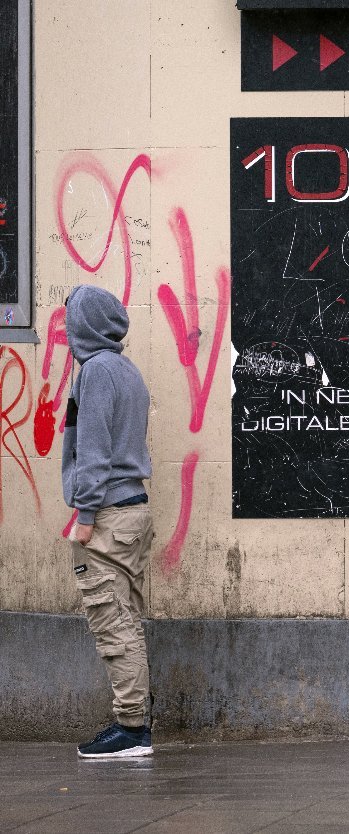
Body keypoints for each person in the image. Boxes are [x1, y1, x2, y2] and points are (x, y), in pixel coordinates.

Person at [63, 285, 155, 759]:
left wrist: (84, 515)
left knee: (112, 622)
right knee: (126, 620)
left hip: (109, 515)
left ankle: (132, 729)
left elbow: (94, 452)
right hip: (131, 511)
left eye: (69, 320)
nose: (64, 329)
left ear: (84, 324)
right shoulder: (126, 370)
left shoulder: (96, 371)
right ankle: (135, 718)